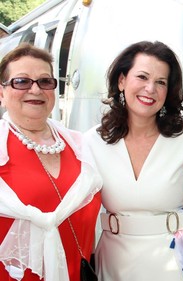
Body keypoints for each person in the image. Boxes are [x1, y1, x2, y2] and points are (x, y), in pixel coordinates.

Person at [84, 40, 183, 281]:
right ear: (122, 81)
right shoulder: (92, 142)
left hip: (172, 265)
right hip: (113, 263)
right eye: (142, 77)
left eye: (161, 82)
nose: (150, 89)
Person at [0, 43, 102, 281]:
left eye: (45, 81)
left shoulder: (80, 145)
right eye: (21, 81)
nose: (35, 89)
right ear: (1, 93)